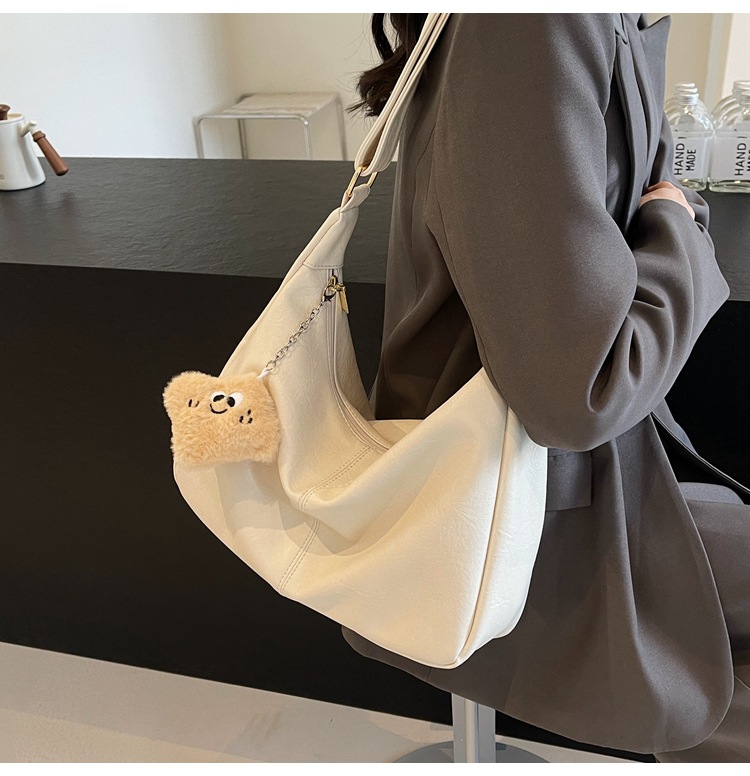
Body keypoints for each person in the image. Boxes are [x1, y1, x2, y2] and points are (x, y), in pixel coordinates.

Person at [344, 13, 749, 762]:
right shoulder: (536, 23)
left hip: (573, 470)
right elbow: (582, 390)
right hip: (521, 499)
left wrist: (668, 216)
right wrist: (680, 228)